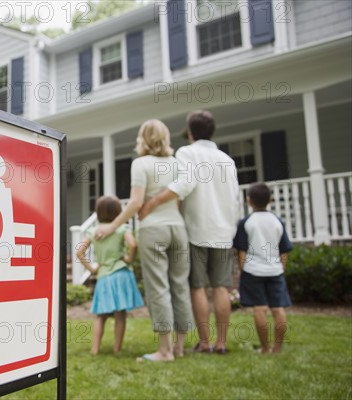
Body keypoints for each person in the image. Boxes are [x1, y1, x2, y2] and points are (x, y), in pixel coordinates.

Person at [138, 110, 239, 354]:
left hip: (196, 229)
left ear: (190, 131)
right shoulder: (227, 159)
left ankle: (204, 343)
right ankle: (222, 343)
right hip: (224, 230)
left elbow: (183, 184)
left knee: (197, 287)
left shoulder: (186, 153)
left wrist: (152, 203)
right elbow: (235, 196)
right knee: (221, 287)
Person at [94, 119, 193, 362]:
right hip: (178, 228)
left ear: (143, 139)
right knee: (180, 285)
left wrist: (112, 226)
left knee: (159, 287)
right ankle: (179, 347)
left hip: (154, 230)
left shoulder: (140, 164)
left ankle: (165, 351)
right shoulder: (177, 163)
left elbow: (136, 203)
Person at [76, 195, 144, 355]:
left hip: (104, 277)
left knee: (101, 315)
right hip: (121, 274)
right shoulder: (122, 228)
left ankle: (94, 349)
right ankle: (117, 349)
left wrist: (92, 269)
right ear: (119, 212)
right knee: (120, 315)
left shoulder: (93, 231)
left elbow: (79, 252)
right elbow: (133, 244)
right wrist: (129, 258)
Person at [233, 182, 293, 354]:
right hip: (275, 271)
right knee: (278, 309)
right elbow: (284, 249)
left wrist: (244, 268)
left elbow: (241, 250)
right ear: (270, 200)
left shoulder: (246, 222)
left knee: (259, 309)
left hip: (253, 271)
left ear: (249, 201)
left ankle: (265, 348)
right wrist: (281, 268)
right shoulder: (277, 221)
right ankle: (277, 348)